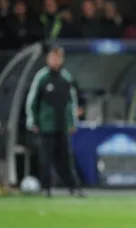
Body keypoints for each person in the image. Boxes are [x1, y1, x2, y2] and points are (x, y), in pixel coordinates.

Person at [26, 45, 83, 198]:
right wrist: (32, 121)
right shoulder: (41, 77)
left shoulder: (66, 78)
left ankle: (73, 188)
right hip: (46, 126)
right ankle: (46, 189)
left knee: (66, 159)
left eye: (59, 58)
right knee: (45, 159)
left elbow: (73, 102)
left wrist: (73, 122)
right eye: (53, 58)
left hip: (63, 125)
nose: (56, 61)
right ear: (48, 59)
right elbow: (32, 101)